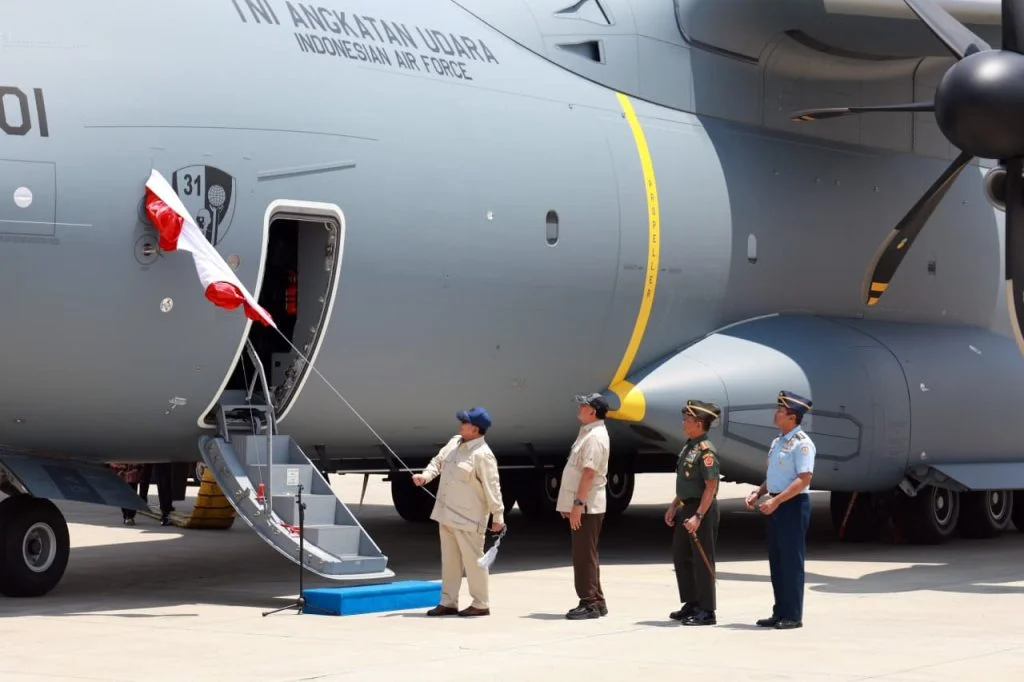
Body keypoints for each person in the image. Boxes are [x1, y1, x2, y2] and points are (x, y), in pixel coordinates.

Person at [413, 406, 505, 617]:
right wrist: (426, 476)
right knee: (450, 561)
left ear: (475, 429)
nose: (460, 425)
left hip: (469, 518)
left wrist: (498, 516)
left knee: (474, 563)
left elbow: (493, 487)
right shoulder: (455, 442)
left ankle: (481, 604)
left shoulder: (483, 455)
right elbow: (438, 461)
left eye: (465, 422)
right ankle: (448, 602)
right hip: (446, 514)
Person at [744, 390, 816, 630]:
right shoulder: (778, 441)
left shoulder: (802, 444)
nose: (776, 414)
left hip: (792, 505)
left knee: (791, 561)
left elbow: (803, 479)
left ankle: (793, 615)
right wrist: (759, 492)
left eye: (781, 411)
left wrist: (777, 501)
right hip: (775, 503)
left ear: (792, 417)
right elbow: (774, 475)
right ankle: (780, 611)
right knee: (777, 560)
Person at [664, 399, 721, 626]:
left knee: (702, 558)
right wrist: (674, 504)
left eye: (687, 420)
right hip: (686, 506)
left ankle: (707, 610)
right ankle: (692, 602)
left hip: (701, 508)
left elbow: (710, 486)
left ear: (698, 423)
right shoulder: (689, 446)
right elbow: (688, 481)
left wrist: (698, 515)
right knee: (682, 556)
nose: (683, 423)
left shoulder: (706, 451)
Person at [556, 392, 611, 620]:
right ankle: (597, 600)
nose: (579, 409)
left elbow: (589, 474)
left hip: (587, 505)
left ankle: (588, 602)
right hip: (583, 504)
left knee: (583, 555)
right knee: (587, 553)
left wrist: (578, 504)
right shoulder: (588, 433)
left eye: (583, 406)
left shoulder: (595, 437)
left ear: (593, 411)